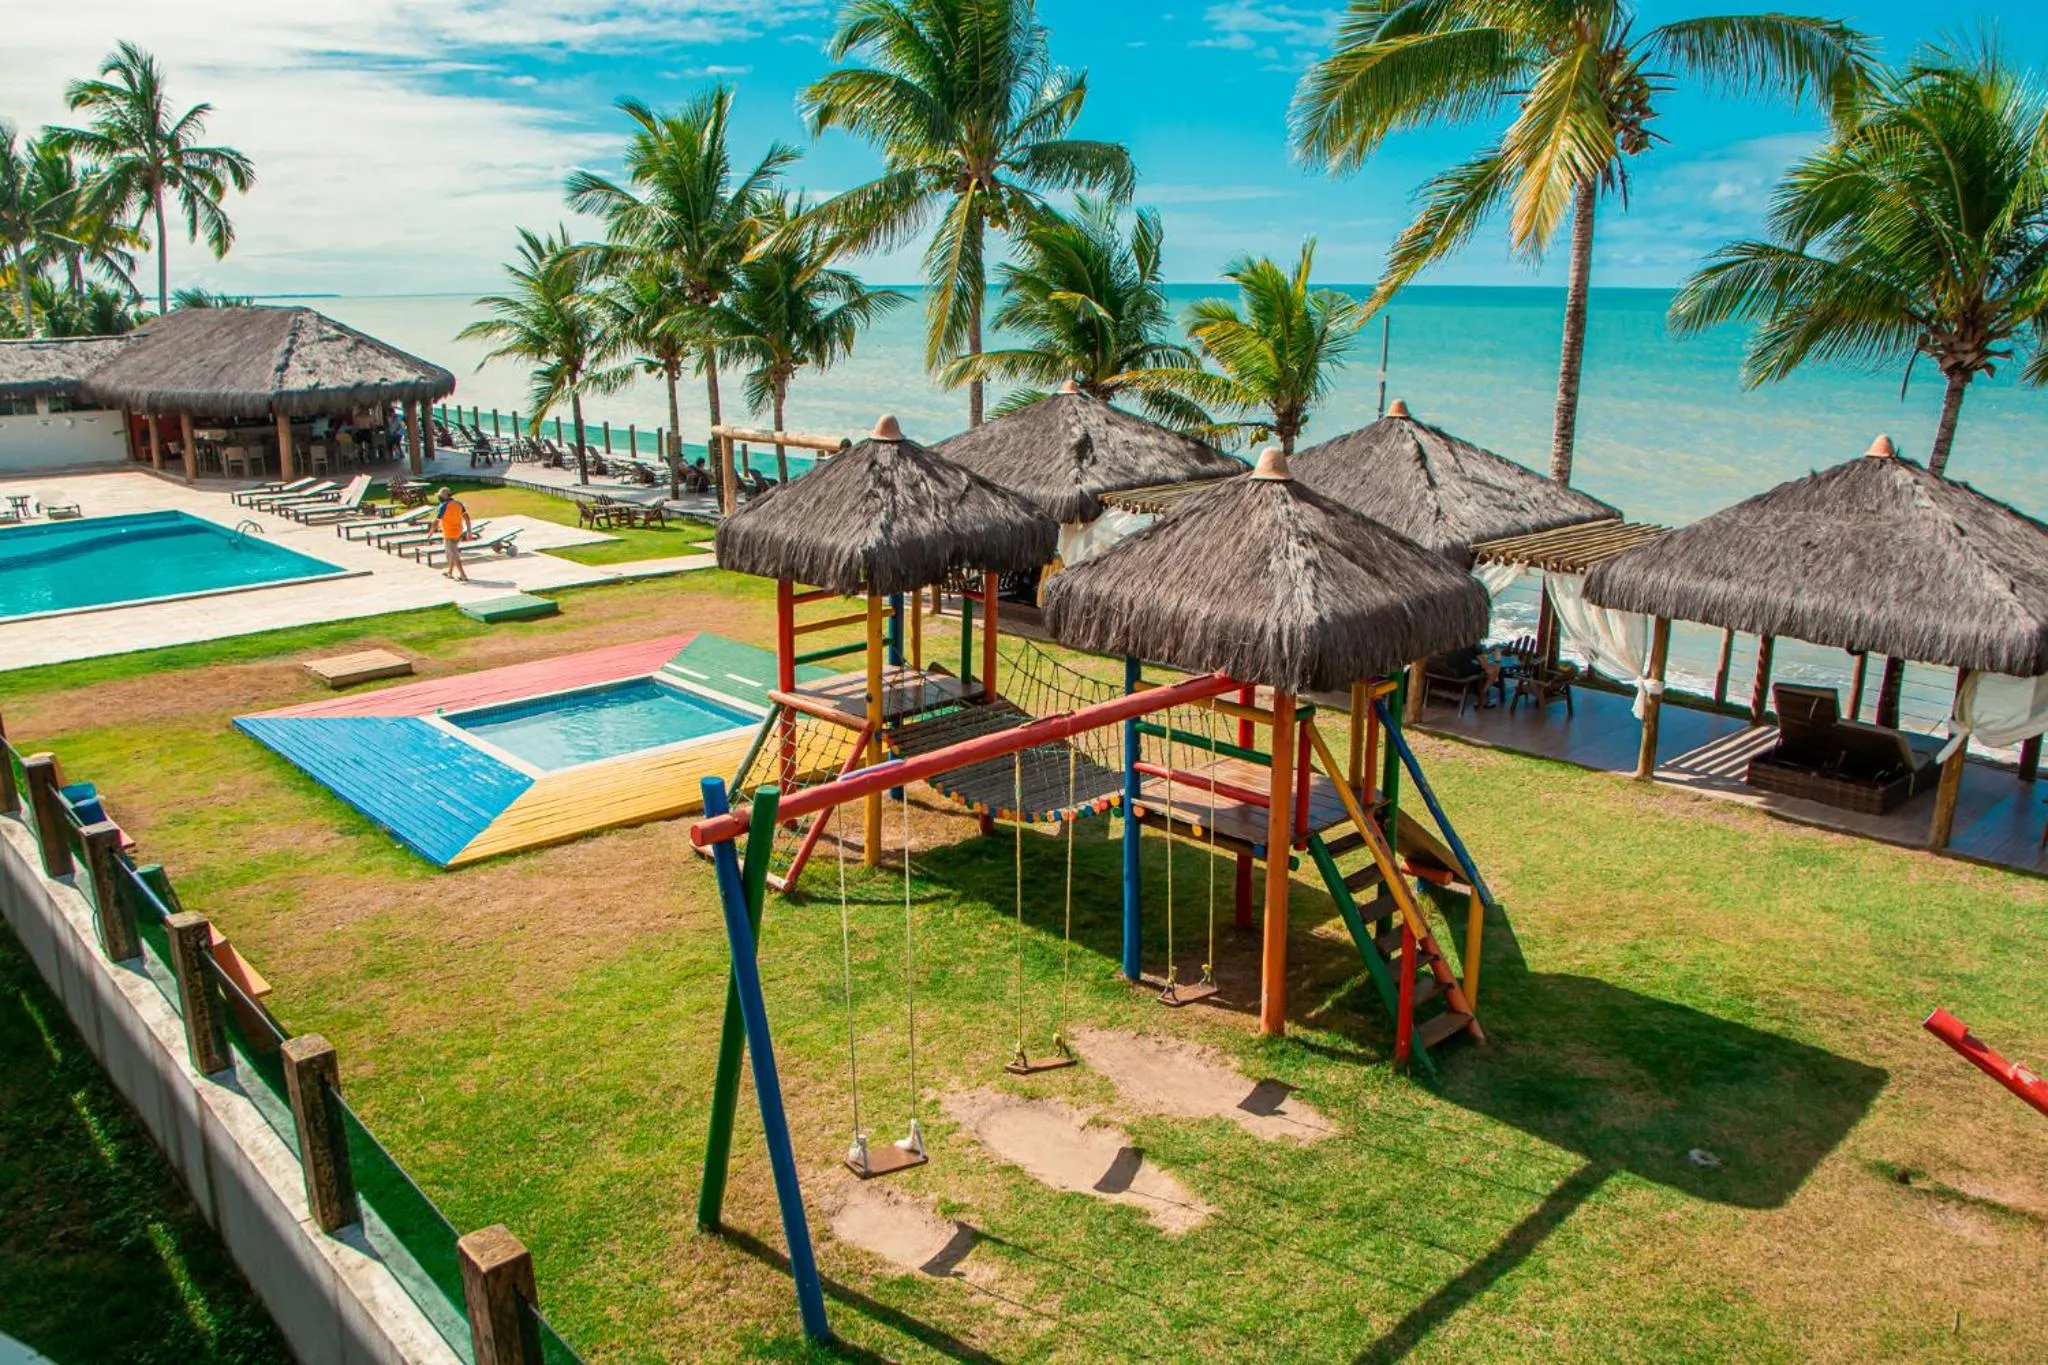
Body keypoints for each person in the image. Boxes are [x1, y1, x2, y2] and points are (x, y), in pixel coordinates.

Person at [434, 487, 472, 581]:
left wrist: (431, 531)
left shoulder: (443, 505)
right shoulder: (458, 503)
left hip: (449, 533)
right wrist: (469, 531)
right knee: (451, 553)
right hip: (458, 532)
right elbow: (466, 517)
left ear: (445, 496)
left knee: (454, 554)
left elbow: (436, 520)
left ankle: (463, 575)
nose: (439, 497)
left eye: (440, 496)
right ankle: (450, 572)